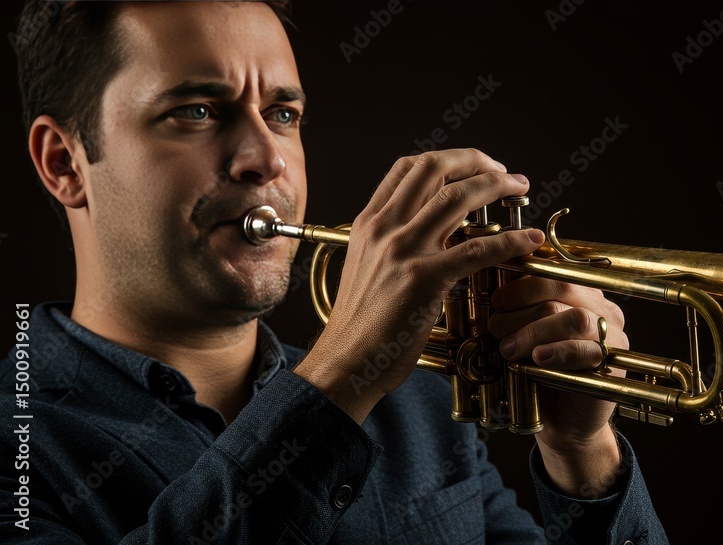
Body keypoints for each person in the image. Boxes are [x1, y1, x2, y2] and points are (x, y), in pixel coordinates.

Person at [1, 1, 668, 543]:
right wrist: (344, 375)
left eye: (282, 114)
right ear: (64, 162)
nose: (266, 158)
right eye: (196, 111)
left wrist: (582, 454)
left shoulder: (418, 412)